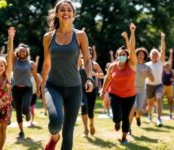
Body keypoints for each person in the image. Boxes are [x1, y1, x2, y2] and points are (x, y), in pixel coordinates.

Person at [42, 0, 93, 149]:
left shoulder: (80, 36)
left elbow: (88, 60)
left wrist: (89, 78)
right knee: (55, 123)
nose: (66, 13)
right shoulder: (48, 37)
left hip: (74, 88)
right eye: (62, 10)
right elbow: (46, 63)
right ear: (57, 14)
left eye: (69, 10)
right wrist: (42, 85)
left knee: (69, 131)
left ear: (73, 14)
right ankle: (54, 137)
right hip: (53, 86)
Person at [101, 23, 137, 143]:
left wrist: (132, 33)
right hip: (115, 94)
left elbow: (131, 49)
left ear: (127, 56)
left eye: (123, 54)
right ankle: (116, 122)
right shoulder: (112, 66)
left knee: (126, 116)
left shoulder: (131, 64)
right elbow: (107, 78)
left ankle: (124, 137)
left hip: (130, 95)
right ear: (116, 56)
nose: (121, 56)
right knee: (117, 116)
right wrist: (103, 90)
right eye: (119, 55)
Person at [7, 29, 41, 138]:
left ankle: (27, 113)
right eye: (20, 51)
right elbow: (10, 50)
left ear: (27, 53)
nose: (22, 52)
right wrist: (11, 38)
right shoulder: (14, 61)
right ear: (18, 53)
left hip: (27, 89)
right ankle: (21, 131)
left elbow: (36, 77)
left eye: (24, 51)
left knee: (25, 108)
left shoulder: (31, 64)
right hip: (16, 89)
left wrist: (39, 89)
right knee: (17, 111)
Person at [129, 47, 154, 134]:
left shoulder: (147, 67)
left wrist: (147, 74)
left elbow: (153, 79)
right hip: (132, 90)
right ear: (136, 55)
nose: (140, 56)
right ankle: (129, 128)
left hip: (142, 90)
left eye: (142, 54)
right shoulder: (133, 64)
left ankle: (138, 117)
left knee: (139, 110)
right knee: (133, 107)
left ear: (145, 56)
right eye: (139, 54)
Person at [80, 47, 104, 136]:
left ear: (90, 54)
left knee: (90, 111)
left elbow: (102, 75)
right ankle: (85, 128)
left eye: (89, 52)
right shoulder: (78, 63)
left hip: (92, 89)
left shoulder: (94, 64)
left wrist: (95, 74)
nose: (86, 53)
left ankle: (91, 124)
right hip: (81, 89)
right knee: (83, 107)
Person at [145, 32, 166, 127]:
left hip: (159, 85)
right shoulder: (147, 64)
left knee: (158, 99)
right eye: (153, 54)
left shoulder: (161, 62)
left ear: (158, 56)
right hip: (149, 86)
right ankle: (149, 115)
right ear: (150, 56)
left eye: (156, 54)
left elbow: (163, 49)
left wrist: (162, 38)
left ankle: (159, 119)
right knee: (150, 104)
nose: (154, 55)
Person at [162, 49, 174, 119]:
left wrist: (171, 53)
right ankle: (159, 112)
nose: (168, 66)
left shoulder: (172, 71)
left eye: (169, 65)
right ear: (164, 66)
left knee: (170, 101)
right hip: (163, 86)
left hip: (170, 87)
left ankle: (170, 114)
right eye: (166, 65)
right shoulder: (162, 71)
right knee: (159, 99)